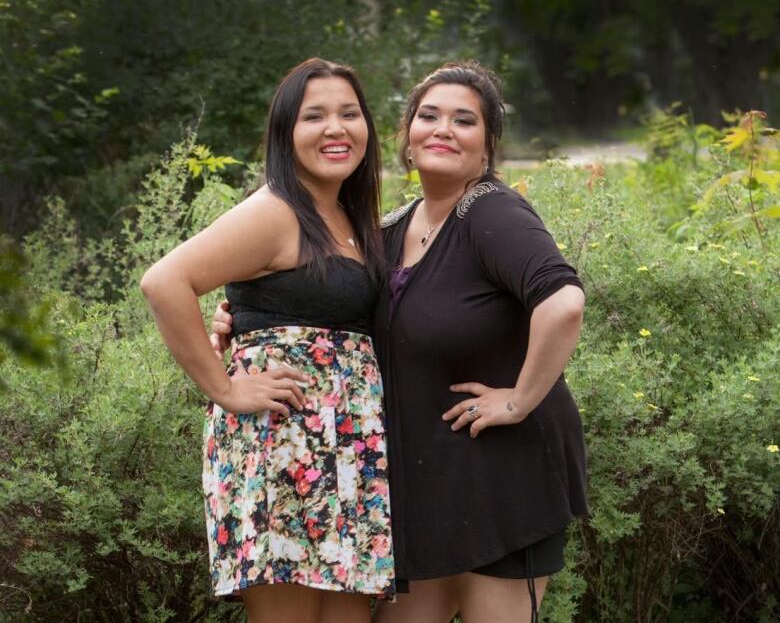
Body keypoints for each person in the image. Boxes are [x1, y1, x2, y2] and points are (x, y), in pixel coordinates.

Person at [212, 61, 587, 623]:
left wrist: (518, 400)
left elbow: (563, 302)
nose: (443, 129)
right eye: (429, 116)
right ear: (406, 138)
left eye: (464, 120)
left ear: (487, 147)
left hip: (501, 475)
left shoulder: (491, 213)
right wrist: (244, 320)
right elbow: (334, 307)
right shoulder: (388, 229)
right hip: (420, 484)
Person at [141, 58, 394, 623]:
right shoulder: (276, 211)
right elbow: (164, 282)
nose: (337, 129)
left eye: (350, 114)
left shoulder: (349, 218)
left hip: (350, 453)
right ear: (286, 133)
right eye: (315, 116)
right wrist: (226, 387)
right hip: (282, 449)